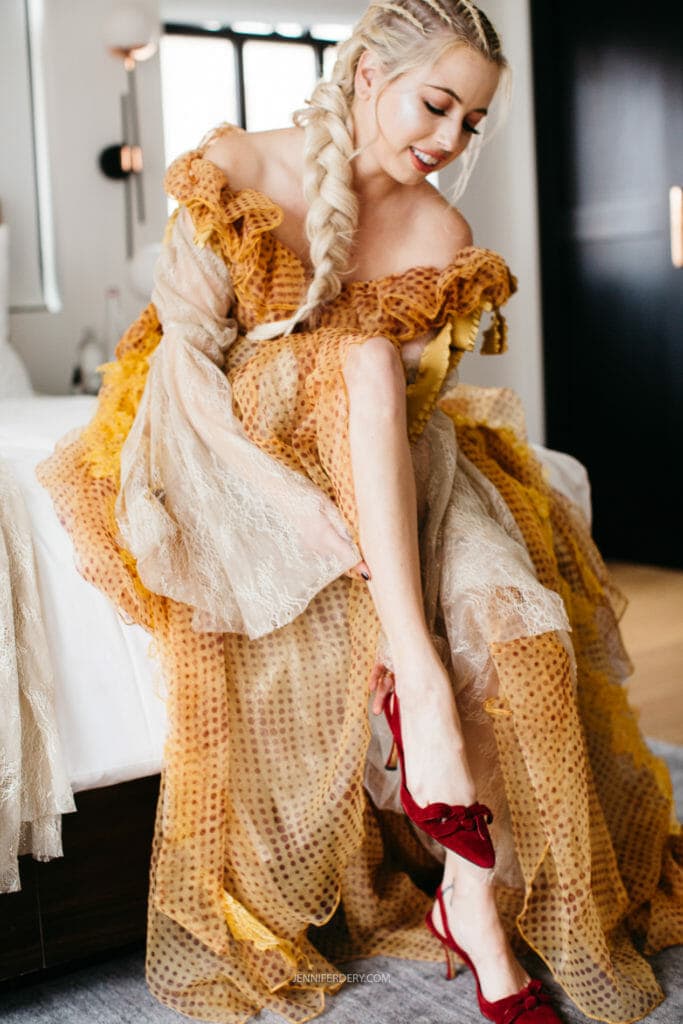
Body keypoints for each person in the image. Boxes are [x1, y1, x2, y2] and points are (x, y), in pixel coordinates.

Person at [37, 2, 682, 1023]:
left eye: (470, 124)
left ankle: (470, 893)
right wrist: (292, 510)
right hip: (231, 445)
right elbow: (189, 377)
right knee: (363, 359)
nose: (448, 141)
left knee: (510, 613)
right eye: (436, 106)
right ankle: (415, 681)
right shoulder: (239, 167)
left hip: (388, 467)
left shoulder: (439, 233)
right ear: (370, 71)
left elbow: (411, 419)